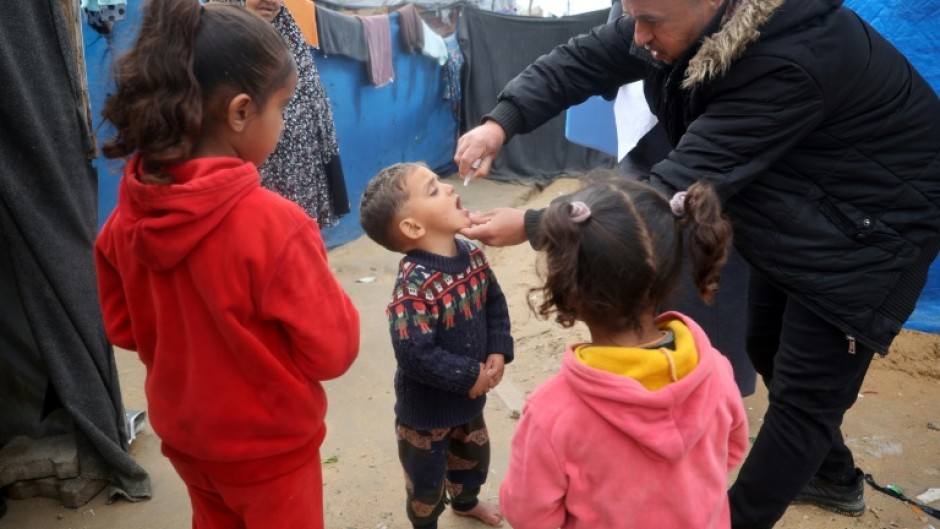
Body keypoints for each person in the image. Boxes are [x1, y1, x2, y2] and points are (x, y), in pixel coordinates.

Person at [454, 0, 940, 528]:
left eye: (651, 22)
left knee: (806, 401)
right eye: (632, 15)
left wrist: (533, 224)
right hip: (807, 202)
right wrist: (499, 123)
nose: (637, 36)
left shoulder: (789, 63)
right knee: (764, 343)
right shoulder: (680, 20)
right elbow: (585, 58)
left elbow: (670, 187)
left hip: (873, 229)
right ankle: (833, 475)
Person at [94, 2, 360, 528]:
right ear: (240, 112)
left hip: (190, 445)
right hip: (272, 454)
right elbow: (333, 351)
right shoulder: (274, 226)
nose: (283, 123)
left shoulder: (124, 219)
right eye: (281, 108)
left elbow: (123, 328)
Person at [500, 177, 748, 529]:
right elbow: (731, 450)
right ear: (668, 273)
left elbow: (529, 514)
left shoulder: (552, 412)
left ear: (570, 293)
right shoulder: (716, 370)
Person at [359, 162, 513, 528]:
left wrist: (497, 348)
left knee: (474, 459)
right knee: (425, 485)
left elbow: (494, 301)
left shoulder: (471, 253)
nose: (447, 187)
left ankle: (467, 502)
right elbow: (414, 353)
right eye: (432, 189)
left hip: (468, 400)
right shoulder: (413, 286)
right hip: (425, 417)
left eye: (439, 181)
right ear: (413, 227)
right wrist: (467, 376)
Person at [211, 0, 349, 227]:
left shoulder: (287, 32)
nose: (271, 1)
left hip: (299, 171)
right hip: (251, 180)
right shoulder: (216, 43)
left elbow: (313, 103)